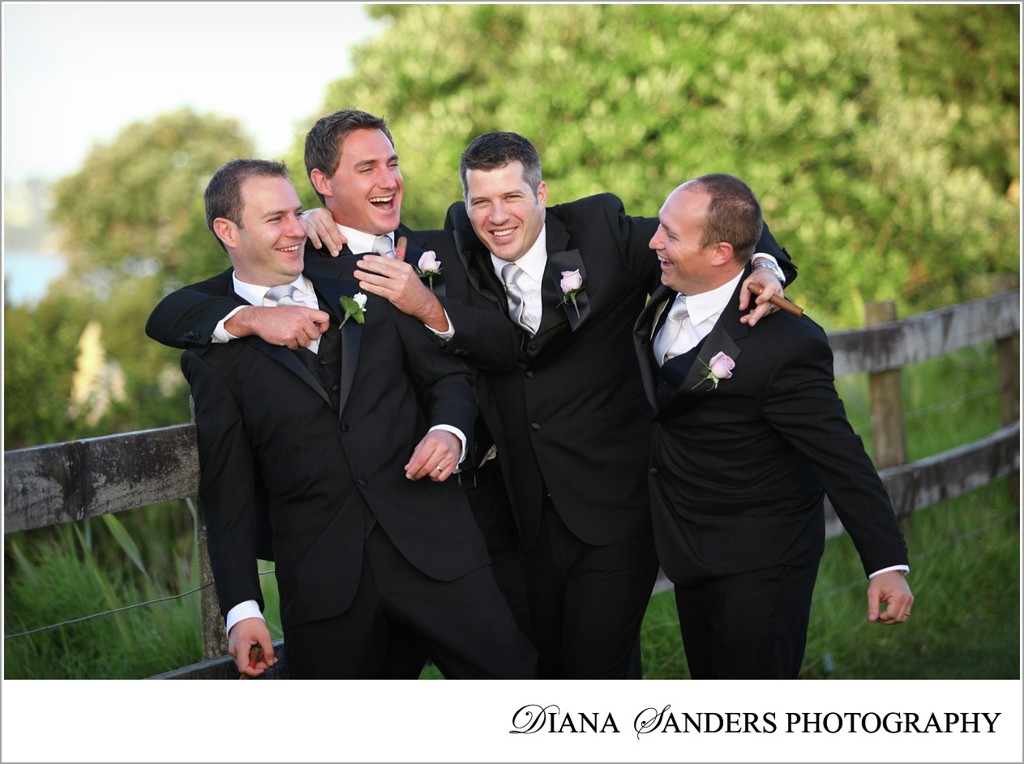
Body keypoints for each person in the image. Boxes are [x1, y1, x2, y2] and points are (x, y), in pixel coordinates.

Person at [348, 131, 795, 679]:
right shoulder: (454, 248)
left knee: (593, 670)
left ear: (541, 194)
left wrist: (766, 266)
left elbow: (724, 219)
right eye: (480, 201)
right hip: (522, 516)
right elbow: (362, 241)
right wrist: (317, 221)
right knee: (549, 671)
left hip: (617, 510)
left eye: (512, 197)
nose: (497, 216)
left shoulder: (602, 232)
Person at [146, 110, 534, 642]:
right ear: (323, 183)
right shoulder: (309, 259)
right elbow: (177, 309)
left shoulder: (447, 246)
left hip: (485, 507)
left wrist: (426, 306)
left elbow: (505, 346)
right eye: (367, 168)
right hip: (348, 557)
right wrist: (253, 313)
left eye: (392, 163)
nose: (388, 179)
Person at [632, 173, 914, 679]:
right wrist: (765, 261)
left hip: (763, 562)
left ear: (719, 253)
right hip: (691, 548)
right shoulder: (669, 283)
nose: (653, 242)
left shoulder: (788, 344)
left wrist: (886, 564)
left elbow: (840, 456)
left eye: (669, 235)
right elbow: (745, 224)